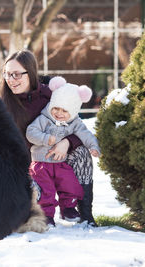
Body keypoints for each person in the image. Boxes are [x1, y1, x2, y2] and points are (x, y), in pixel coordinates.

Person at [0, 49, 98, 226]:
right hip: (23, 170)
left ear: (31, 73)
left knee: (81, 153)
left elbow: (77, 125)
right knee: (33, 195)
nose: (11, 80)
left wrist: (67, 142)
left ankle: (85, 214)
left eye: (17, 74)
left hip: (55, 157)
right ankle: (39, 214)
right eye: (7, 74)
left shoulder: (51, 96)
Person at [26, 77, 100, 226]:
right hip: (41, 163)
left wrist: (93, 146)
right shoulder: (44, 119)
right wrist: (46, 138)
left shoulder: (74, 122)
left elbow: (85, 134)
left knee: (70, 184)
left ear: (72, 111)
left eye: (64, 110)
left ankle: (68, 209)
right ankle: (46, 216)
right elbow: (30, 132)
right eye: (56, 108)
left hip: (60, 163)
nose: (59, 113)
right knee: (46, 190)